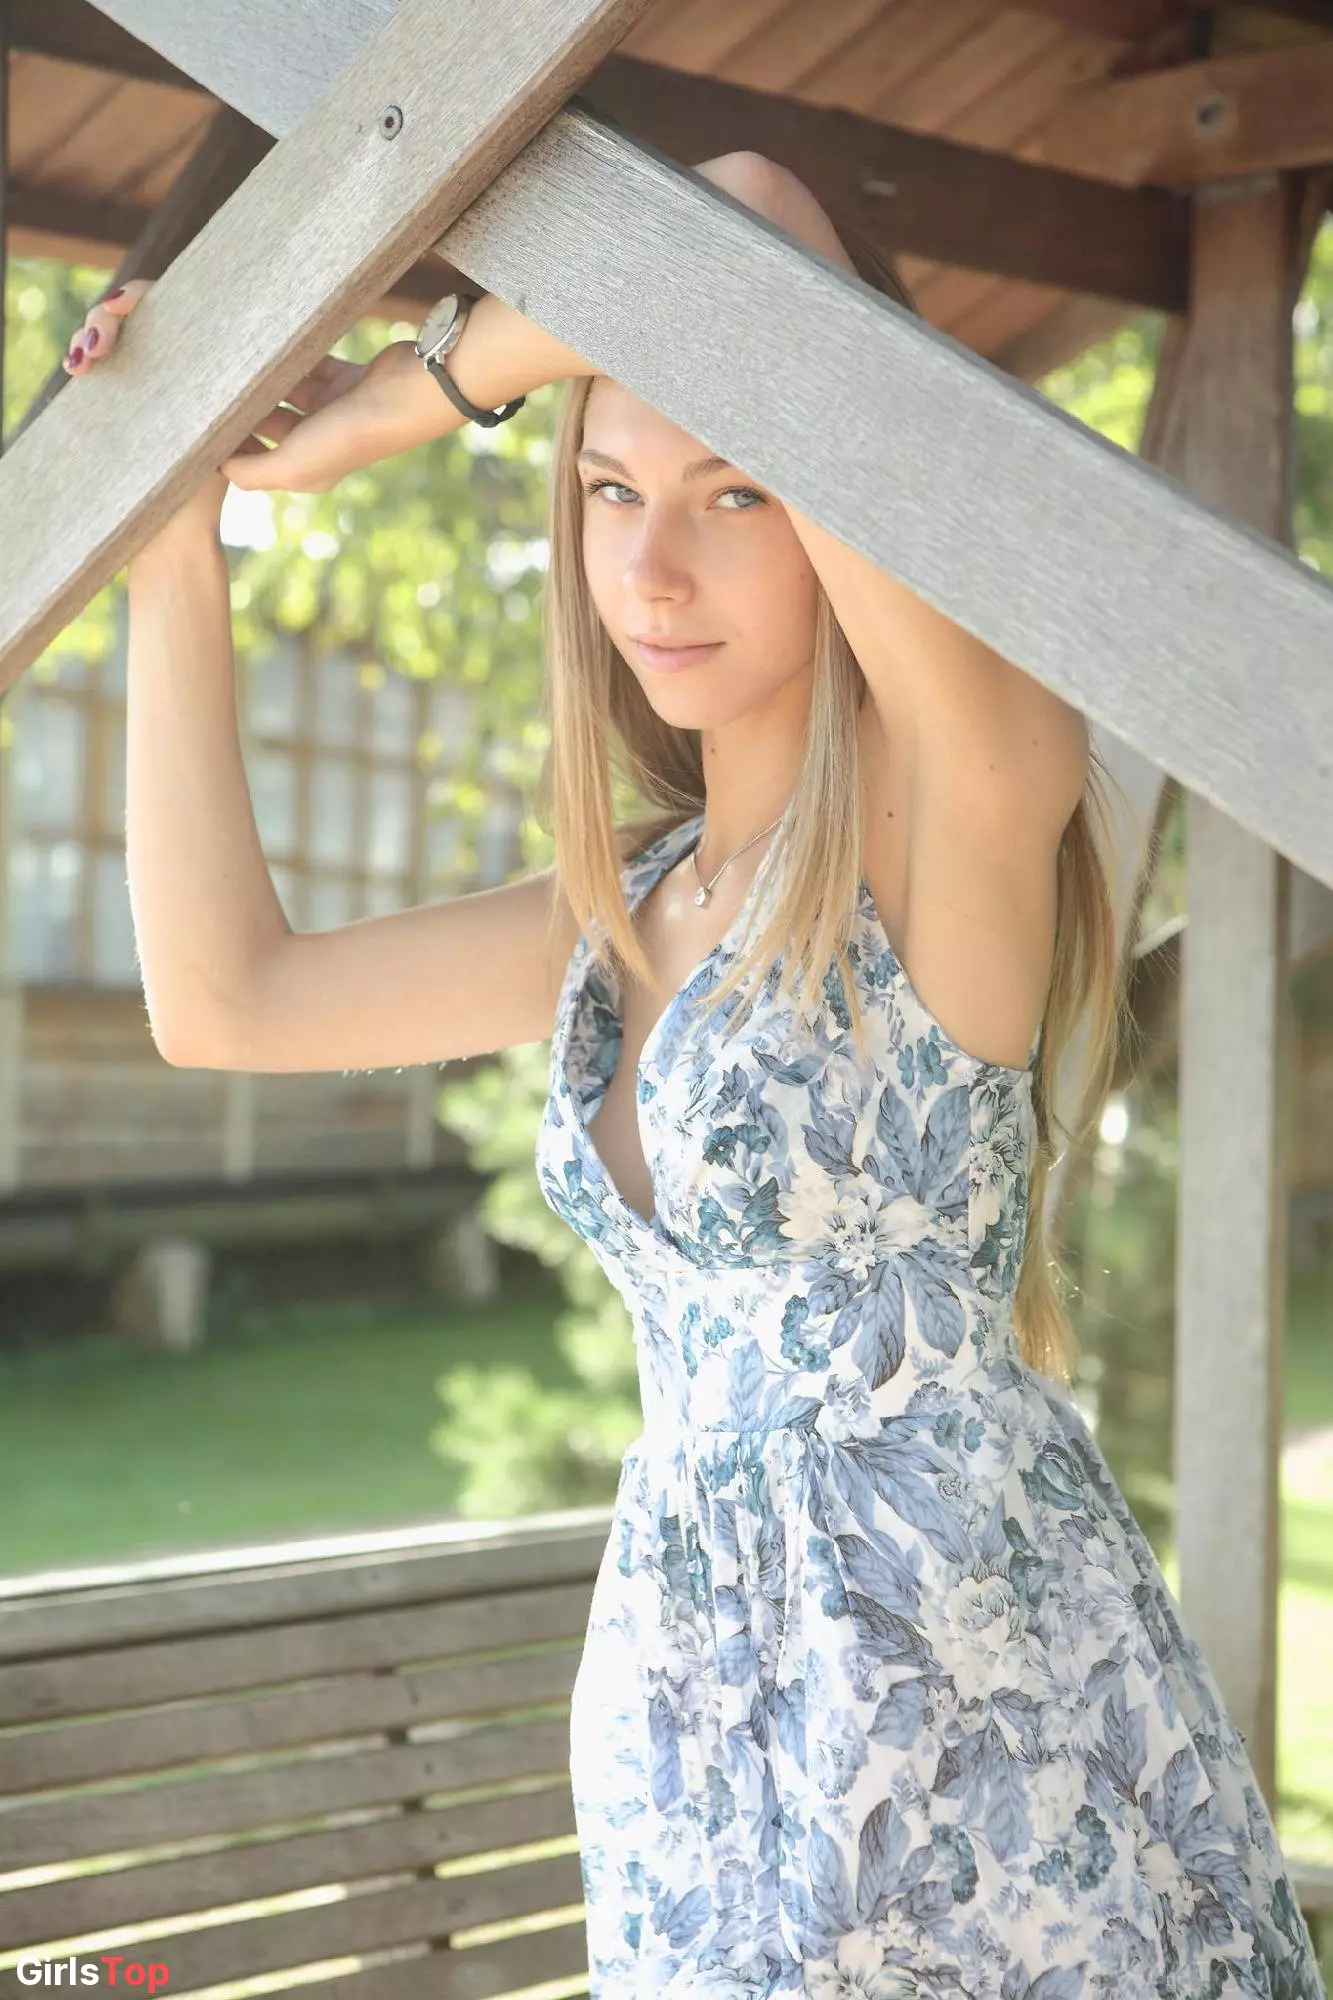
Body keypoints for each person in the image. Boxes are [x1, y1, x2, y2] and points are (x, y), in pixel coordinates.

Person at [67, 152, 1322, 1999]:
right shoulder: (620, 914)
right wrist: (177, 537)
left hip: (981, 1741)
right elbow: (224, 1001)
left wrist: (398, 404)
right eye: (610, 489)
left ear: (836, 502)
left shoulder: (963, 807)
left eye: (736, 490)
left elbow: (746, 211)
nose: (653, 567)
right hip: (691, 1727)